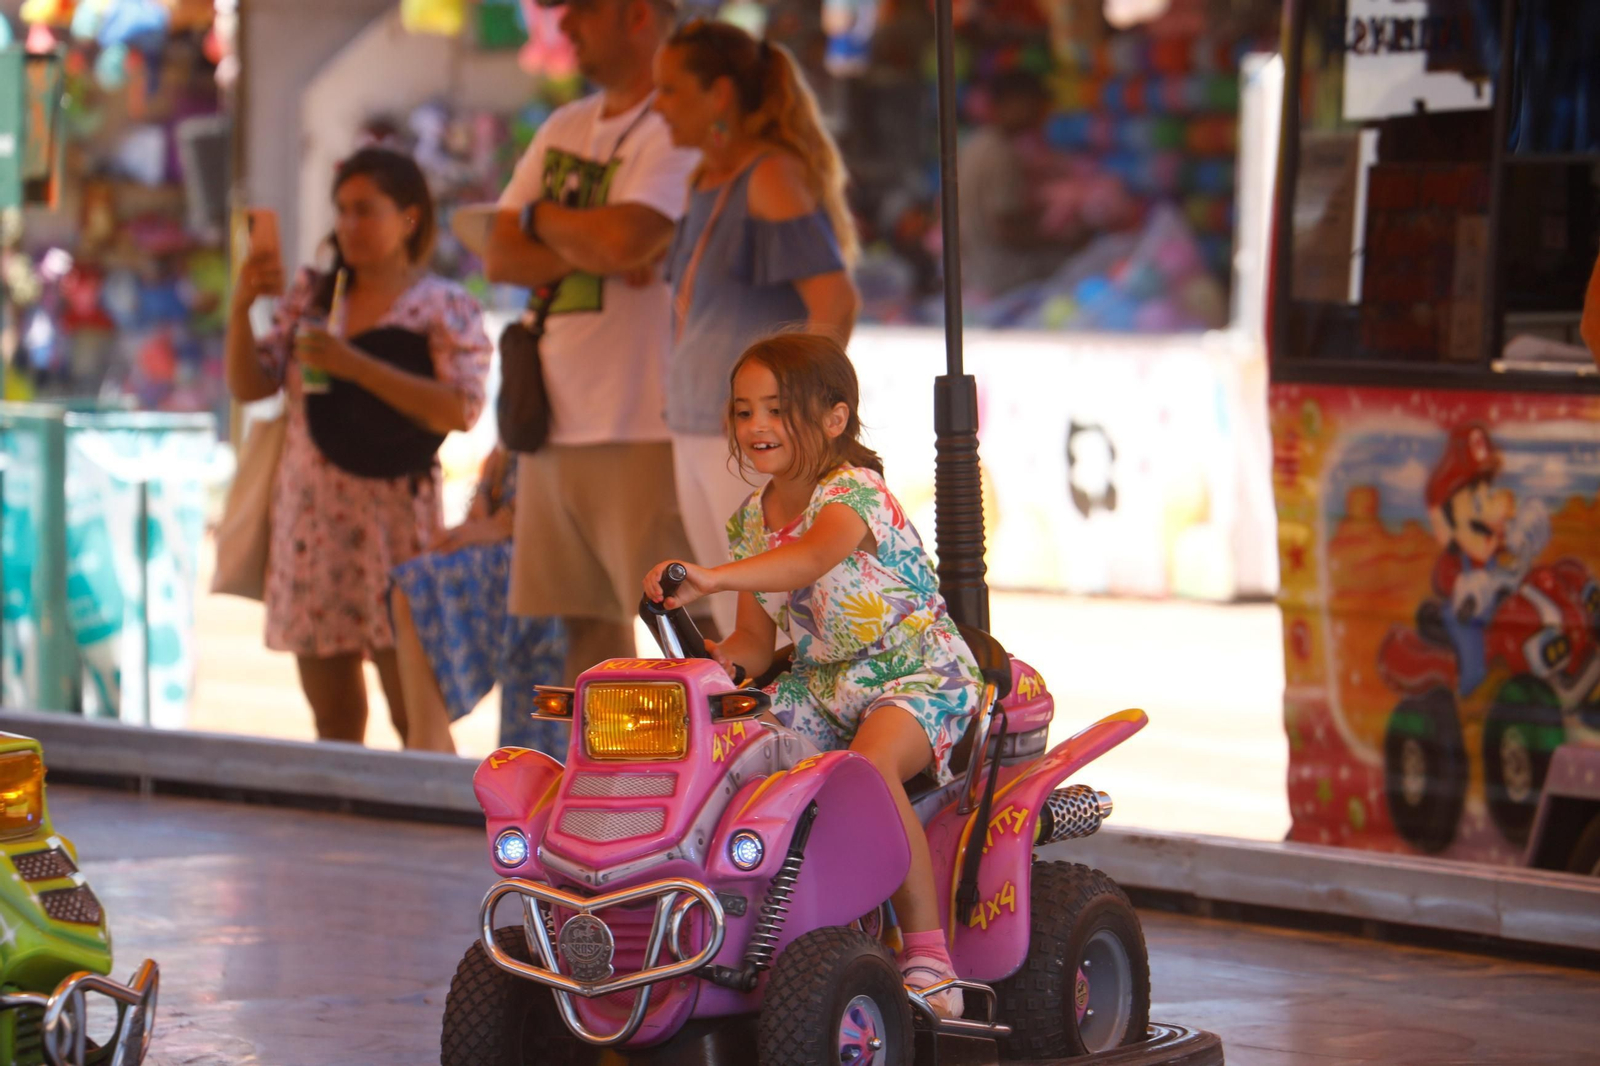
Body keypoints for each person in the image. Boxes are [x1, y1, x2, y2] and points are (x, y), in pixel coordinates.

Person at [642, 333, 981, 1018]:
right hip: (825, 684)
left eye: (777, 408)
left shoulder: (853, 494)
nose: (757, 427)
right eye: (744, 412)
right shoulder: (750, 521)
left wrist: (706, 575)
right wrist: (714, 665)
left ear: (834, 417)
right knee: (732, 756)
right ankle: (722, 931)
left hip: (913, 670)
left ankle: (928, 955)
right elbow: (755, 642)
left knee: (868, 769)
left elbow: (808, 560)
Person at [225, 148, 492, 743]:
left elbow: (461, 408)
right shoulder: (316, 295)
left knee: (417, 720)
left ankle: (425, 835)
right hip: (313, 527)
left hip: (397, 529)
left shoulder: (443, 304)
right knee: (334, 722)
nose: (349, 225)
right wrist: (241, 306)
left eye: (366, 210)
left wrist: (354, 364)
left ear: (410, 218)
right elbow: (252, 383)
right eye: (342, 211)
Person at [486, 0, 703, 684]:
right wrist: (590, 239)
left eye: (581, 10)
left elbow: (626, 240)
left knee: (683, 630)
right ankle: (612, 783)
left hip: (648, 417)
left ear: (635, 14)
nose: (567, 26)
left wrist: (541, 217)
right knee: (586, 629)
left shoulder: (677, 129)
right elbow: (498, 254)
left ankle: (710, 784)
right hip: (554, 421)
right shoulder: (564, 124)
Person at [652, 19, 861, 638]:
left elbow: (836, 299)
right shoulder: (705, 182)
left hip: (742, 432)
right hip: (697, 424)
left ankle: (797, 734)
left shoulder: (769, 175)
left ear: (718, 95)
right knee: (729, 611)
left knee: (774, 615)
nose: (657, 106)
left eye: (669, 90)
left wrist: (791, 416)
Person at [389, 445, 567, 755]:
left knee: (421, 587)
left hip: (559, 532)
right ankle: (430, 762)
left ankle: (428, 760)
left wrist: (508, 518)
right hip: (527, 518)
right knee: (535, 735)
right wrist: (486, 492)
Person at [958, 69, 1080, 297]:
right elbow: (1007, 227)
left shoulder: (975, 144)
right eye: (1034, 104)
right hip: (1005, 276)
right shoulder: (1001, 154)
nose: (1039, 113)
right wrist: (1061, 240)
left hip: (977, 271)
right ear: (1011, 103)